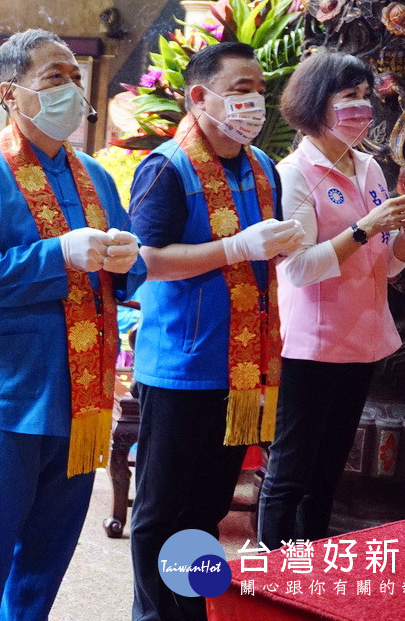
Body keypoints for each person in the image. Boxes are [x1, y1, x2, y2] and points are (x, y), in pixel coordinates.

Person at [0, 29, 143, 621]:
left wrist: (127, 261)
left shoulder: (96, 177)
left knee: (48, 557)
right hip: (9, 395)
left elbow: (123, 274)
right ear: (12, 93)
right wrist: (58, 255)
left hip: (81, 399)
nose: (70, 90)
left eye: (76, 78)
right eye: (54, 78)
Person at [127, 41, 304, 621]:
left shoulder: (261, 168)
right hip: (183, 364)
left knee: (206, 509)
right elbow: (147, 258)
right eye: (240, 89)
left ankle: (190, 610)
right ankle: (155, 615)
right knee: (161, 509)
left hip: (243, 366)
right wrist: (233, 248)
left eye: (259, 89)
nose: (254, 101)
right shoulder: (167, 167)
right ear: (199, 97)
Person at [258, 51, 405, 550]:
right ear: (316, 104)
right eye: (348, 97)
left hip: (361, 337)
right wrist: (367, 226)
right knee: (292, 468)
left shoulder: (370, 168)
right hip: (310, 344)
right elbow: (299, 267)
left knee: (329, 469)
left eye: (364, 97)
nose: (361, 108)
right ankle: (273, 573)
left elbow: (390, 262)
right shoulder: (293, 173)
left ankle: (309, 573)